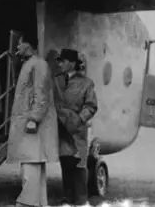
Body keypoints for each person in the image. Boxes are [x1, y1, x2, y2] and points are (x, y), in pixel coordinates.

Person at [6, 32, 58, 207]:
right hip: (29, 124)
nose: (17, 48)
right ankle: (39, 203)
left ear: (27, 44)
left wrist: (34, 119)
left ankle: (26, 203)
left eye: (19, 44)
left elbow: (41, 94)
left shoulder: (39, 64)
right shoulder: (30, 64)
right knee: (33, 164)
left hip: (34, 126)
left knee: (30, 166)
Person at [54, 48, 98, 206]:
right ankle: (68, 198)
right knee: (65, 163)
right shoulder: (56, 80)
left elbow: (91, 106)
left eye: (63, 61)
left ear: (72, 63)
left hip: (77, 131)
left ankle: (80, 201)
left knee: (79, 165)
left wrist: (79, 119)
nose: (60, 64)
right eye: (59, 61)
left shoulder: (86, 83)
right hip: (60, 128)